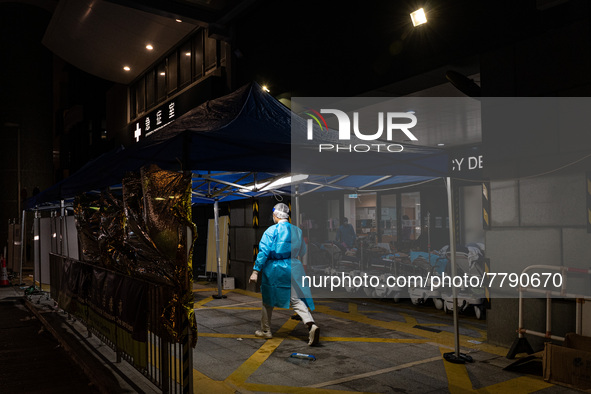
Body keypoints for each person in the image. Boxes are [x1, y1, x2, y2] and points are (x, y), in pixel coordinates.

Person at [249, 203, 320, 346]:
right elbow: (302, 251)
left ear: (275, 215)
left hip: (275, 268)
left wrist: (256, 271)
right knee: (296, 299)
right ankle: (311, 325)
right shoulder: (298, 231)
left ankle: (266, 330)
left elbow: (263, 252)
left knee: (268, 300)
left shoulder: (271, 231)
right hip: (294, 266)